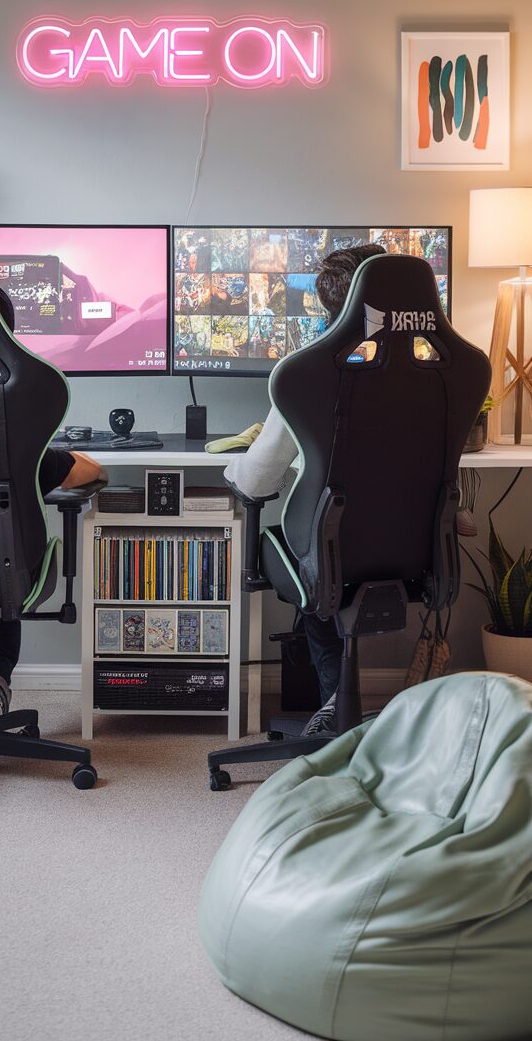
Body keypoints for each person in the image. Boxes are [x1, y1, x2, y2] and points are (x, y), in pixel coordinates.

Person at [224, 243, 385, 738]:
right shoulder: (440, 366)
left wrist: (235, 468)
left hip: (332, 549)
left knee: (315, 569)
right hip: (409, 549)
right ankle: (344, 709)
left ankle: (335, 709)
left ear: (327, 302)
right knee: (329, 559)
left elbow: (256, 480)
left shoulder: (305, 372)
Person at [0, 284, 107, 722]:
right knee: (0, 551)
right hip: (0, 570)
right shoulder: (9, 412)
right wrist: (68, 450)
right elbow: (88, 474)